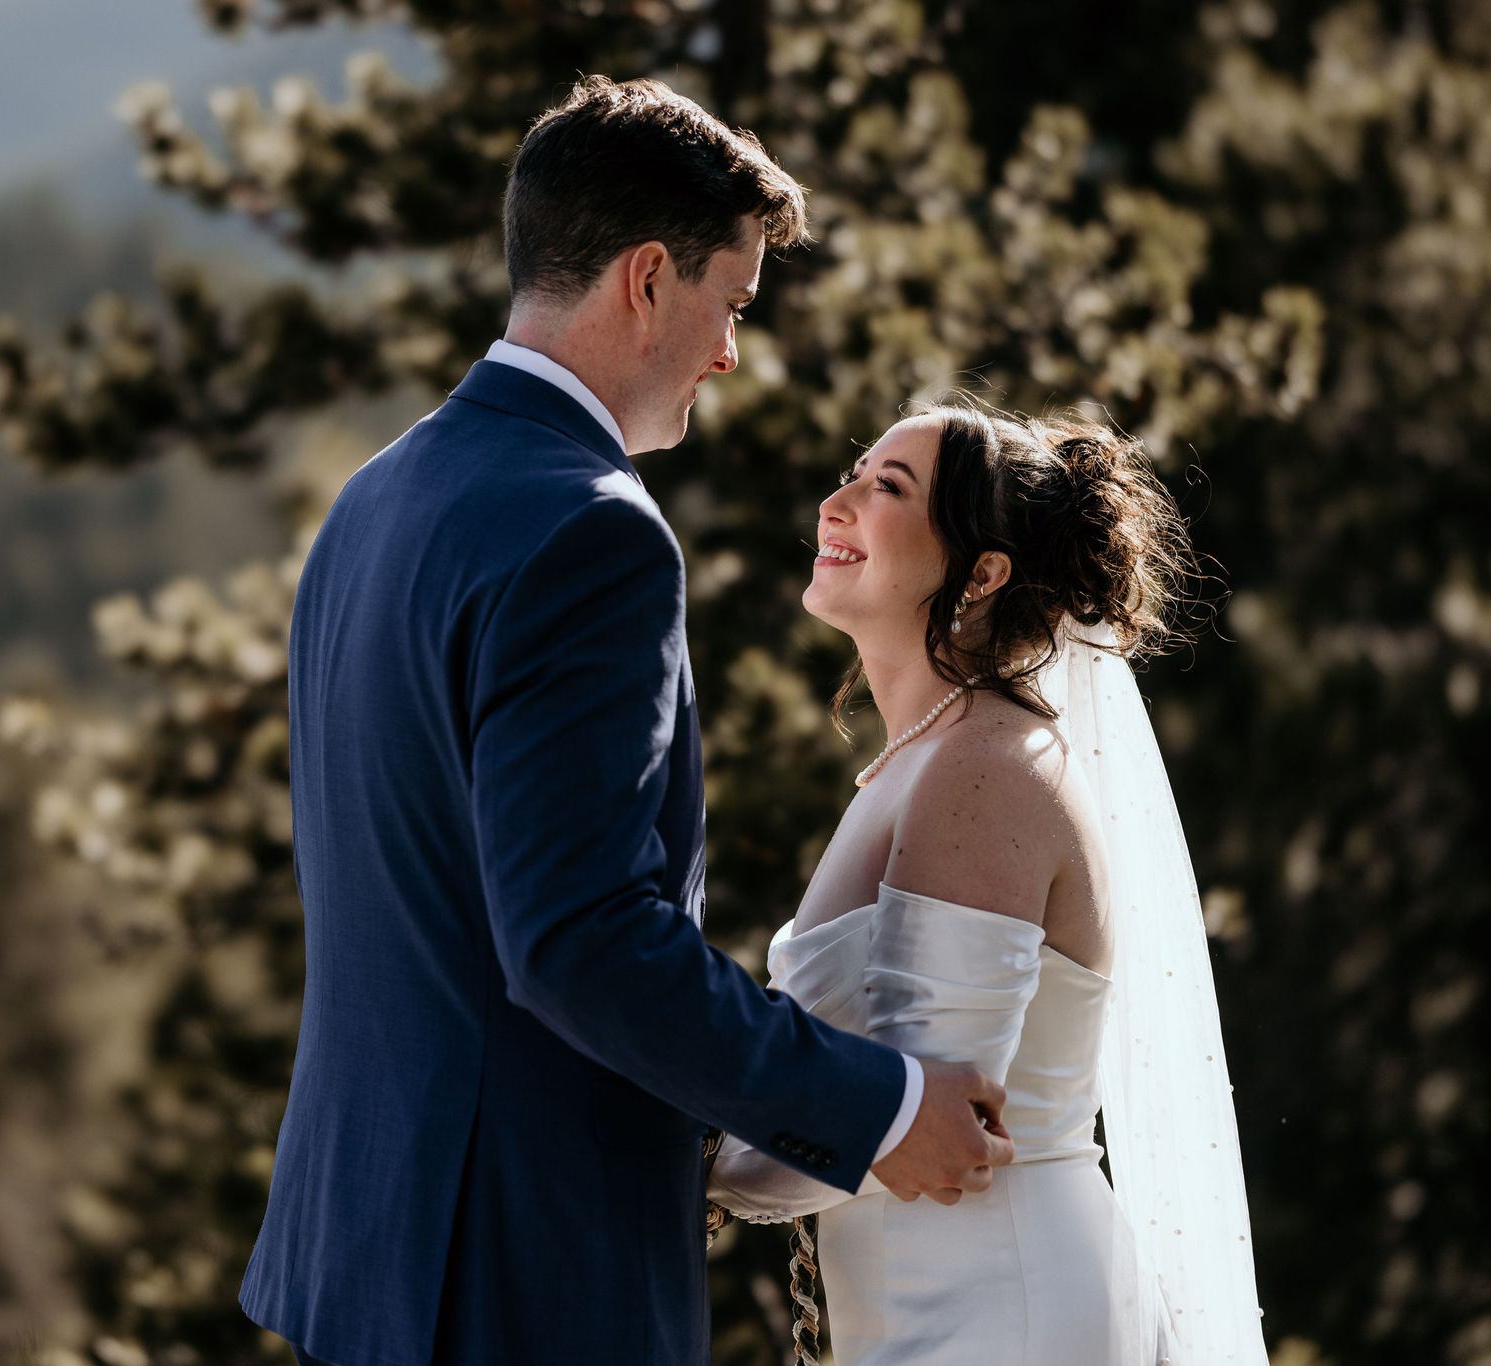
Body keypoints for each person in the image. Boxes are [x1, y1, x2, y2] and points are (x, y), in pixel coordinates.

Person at [239, 77, 1013, 1366]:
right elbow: (577, 938)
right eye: (729, 302)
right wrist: (874, 1107)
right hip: (524, 1281)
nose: (726, 351)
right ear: (647, 278)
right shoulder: (592, 530)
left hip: (362, 1258)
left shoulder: (374, 497)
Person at [708, 405, 1269, 1363]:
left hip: (997, 1304)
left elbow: (933, 1115)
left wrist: (678, 1158)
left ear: (984, 571)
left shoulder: (988, 768)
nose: (834, 504)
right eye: (855, 471)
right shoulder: (926, 760)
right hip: (936, 1291)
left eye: (887, 489)